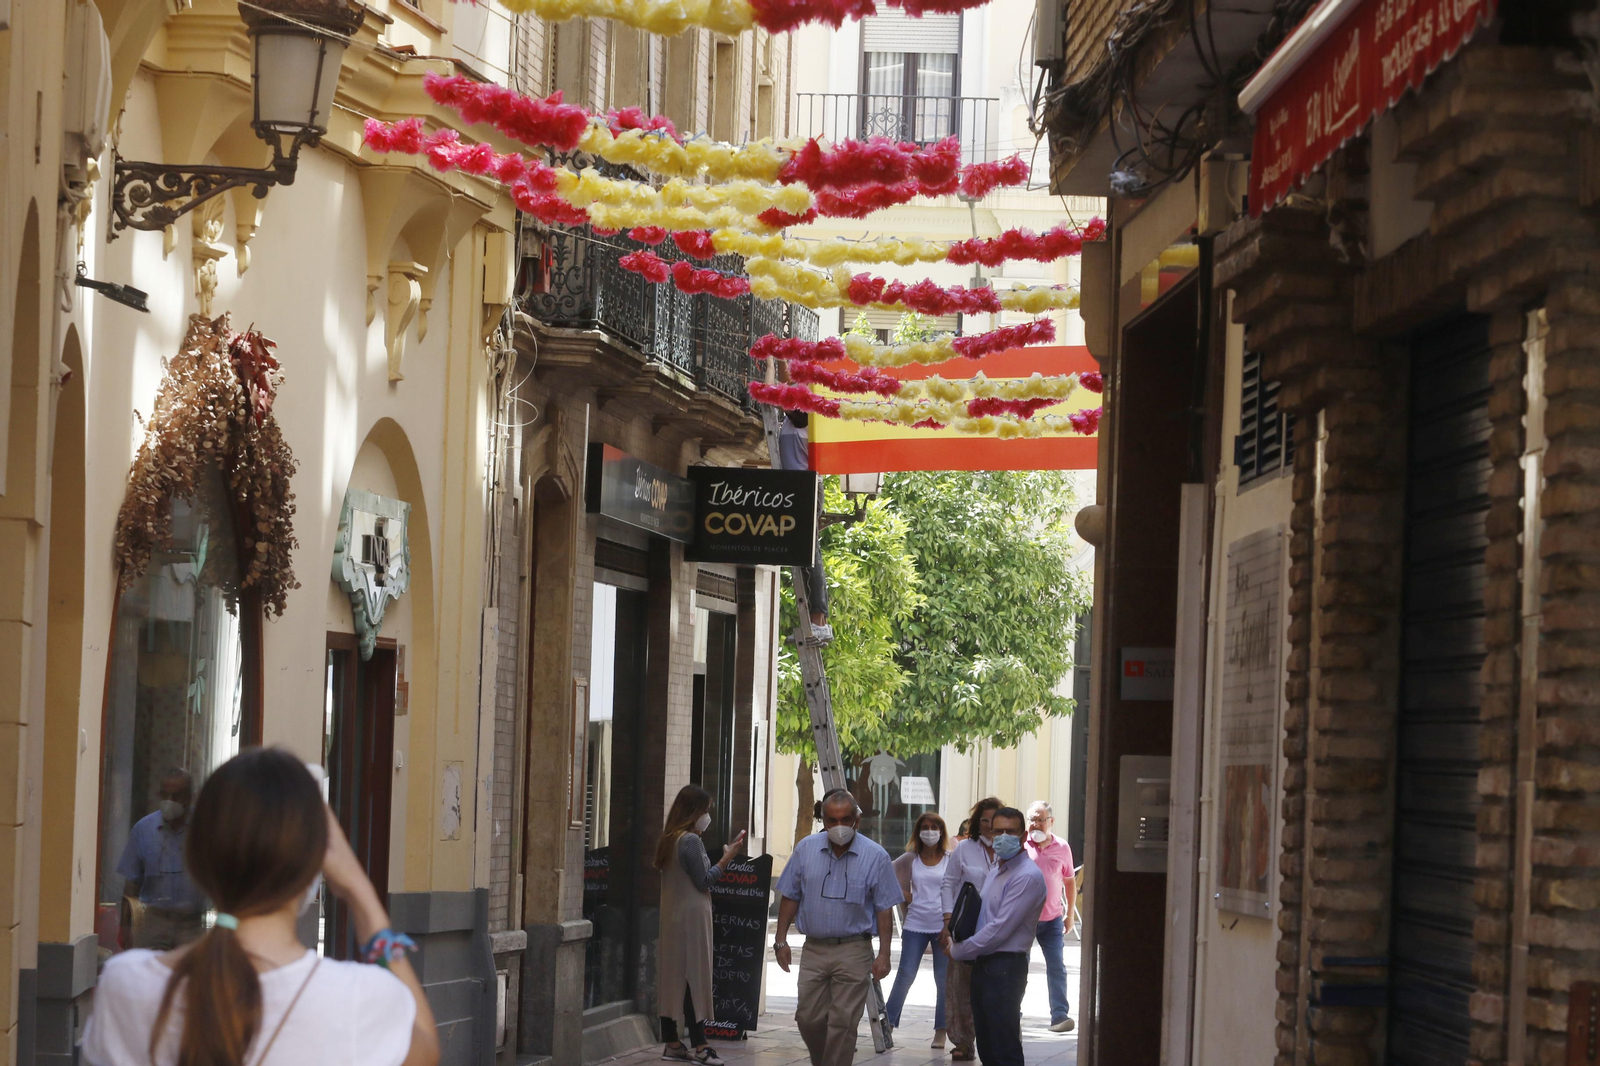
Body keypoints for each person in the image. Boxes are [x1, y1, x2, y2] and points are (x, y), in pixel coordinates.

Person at [83, 747, 439, 1066]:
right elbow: (427, 1050)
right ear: (312, 869)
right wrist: (361, 892)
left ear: (197, 858)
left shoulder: (125, 985)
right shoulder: (359, 1000)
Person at [773, 788, 903, 1066]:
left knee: (843, 1022)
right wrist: (780, 940)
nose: (839, 826)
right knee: (808, 1018)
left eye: (846, 819)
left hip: (854, 949)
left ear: (857, 819)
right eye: (832, 820)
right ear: (823, 820)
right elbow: (790, 895)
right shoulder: (805, 849)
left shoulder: (875, 856)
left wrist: (884, 954)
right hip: (814, 950)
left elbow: (884, 908)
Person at [945, 807, 1047, 1066]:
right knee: (988, 1046)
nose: (1003, 837)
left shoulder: (1027, 876)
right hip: (985, 966)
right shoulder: (996, 870)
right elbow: (983, 919)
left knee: (1004, 1046)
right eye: (997, 831)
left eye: (1010, 832)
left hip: (1005, 968)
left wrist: (959, 950)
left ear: (1023, 836)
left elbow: (999, 930)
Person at [654, 784, 747, 1065]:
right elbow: (704, 880)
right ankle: (701, 1046)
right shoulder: (691, 842)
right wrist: (727, 857)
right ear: (693, 811)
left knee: (672, 980)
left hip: (672, 916)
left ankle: (672, 1042)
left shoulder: (669, 839)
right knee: (696, 978)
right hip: (693, 918)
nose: (707, 816)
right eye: (705, 811)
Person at [117, 768, 206, 950]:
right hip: (154, 921)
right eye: (165, 795)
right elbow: (130, 884)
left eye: (177, 796)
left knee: (190, 975)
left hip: (192, 924)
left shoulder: (206, 828)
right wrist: (125, 926)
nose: (170, 802)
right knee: (149, 974)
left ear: (191, 796)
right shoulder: (144, 830)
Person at [940, 796, 1002, 1061]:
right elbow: (948, 884)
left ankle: (998, 1037)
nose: (989, 826)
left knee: (997, 987)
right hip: (966, 927)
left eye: (994, 821)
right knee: (959, 987)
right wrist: (947, 921)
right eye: (984, 820)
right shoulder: (964, 849)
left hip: (999, 927)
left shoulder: (1010, 850)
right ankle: (963, 1040)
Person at [888, 812, 952, 1049]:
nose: (930, 831)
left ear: (942, 831)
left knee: (943, 980)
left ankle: (941, 1032)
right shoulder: (909, 859)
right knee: (905, 975)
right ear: (918, 831)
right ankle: (888, 1025)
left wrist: (950, 923)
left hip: (943, 927)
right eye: (925, 827)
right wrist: (907, 896)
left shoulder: (950, 859)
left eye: (934, 827)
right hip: (915, 924)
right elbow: (886, 875)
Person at [775, 410, 833, 646]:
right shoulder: (791, 421)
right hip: (795, 489)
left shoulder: (804, 418)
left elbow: (780, 397)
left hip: (807, 488)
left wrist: (772, 372)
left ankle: (819, 622)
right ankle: (818, 621)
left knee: (810, 552)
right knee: (804, 552)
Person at [1024, 801, 1076, 1033]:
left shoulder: (1062, 847)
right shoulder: (1020, 845)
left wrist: (1070, 914)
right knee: (1018, 967)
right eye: (1032, 819)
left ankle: (1059, 1015)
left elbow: (1069, 881)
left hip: (1053, 919)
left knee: (1056, 967)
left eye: (1040, 819)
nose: (1035, 824)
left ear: (1051, 822)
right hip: (1024, 920)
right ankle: (1012, 1012)